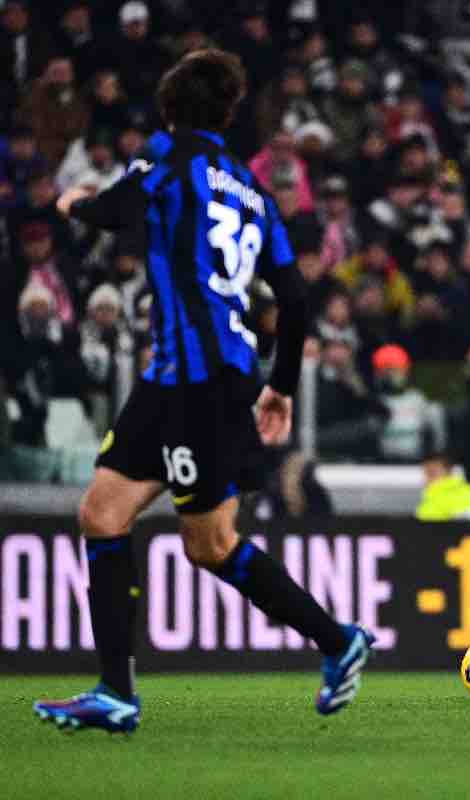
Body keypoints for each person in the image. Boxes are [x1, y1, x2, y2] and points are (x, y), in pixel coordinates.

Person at [34, 50, 374, 735]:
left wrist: (69, 201)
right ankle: (115, 693)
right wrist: (281, 386)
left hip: (200, 382)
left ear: (169, 110)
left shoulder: (170, 160)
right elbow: (294, 298)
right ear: (228, 113)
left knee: (211, 544)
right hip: (182, 378)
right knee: (102, 513)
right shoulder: (253, 192)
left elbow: (114, 210)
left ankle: (339, 640)